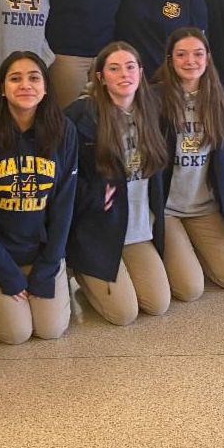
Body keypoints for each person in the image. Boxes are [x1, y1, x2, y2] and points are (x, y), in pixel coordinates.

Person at [0, 51, 77, 344]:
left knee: (50, 329)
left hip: (40, 250)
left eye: (34, 78)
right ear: (2, 88)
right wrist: (5, 272)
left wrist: (49, 264)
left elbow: (64, 205)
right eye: (15, 78)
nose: (25, 85)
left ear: (45, 87)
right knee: (15, 334)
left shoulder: (64, 130)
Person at [65, 42, 170, 326]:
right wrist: (98, 197)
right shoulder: (80, 115)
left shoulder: (152, 111)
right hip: (99, 229)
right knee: (124, 314)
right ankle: (82, 272)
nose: (124, 74)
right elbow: (66, 179)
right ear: (100, 77)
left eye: (130, 67)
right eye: (114, 68)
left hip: (137, 228)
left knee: (158, 304)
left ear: (141, 73)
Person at [153, 29, 224, 301]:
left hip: (205, 207)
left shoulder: (218, 96)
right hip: (169, 209)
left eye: (197, 54)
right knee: (189, 290)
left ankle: (192, 250)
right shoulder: (155, 97)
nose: (190, 61)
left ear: (208, 58)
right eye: (181, 54)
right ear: (170, 60)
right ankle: (180, 251)